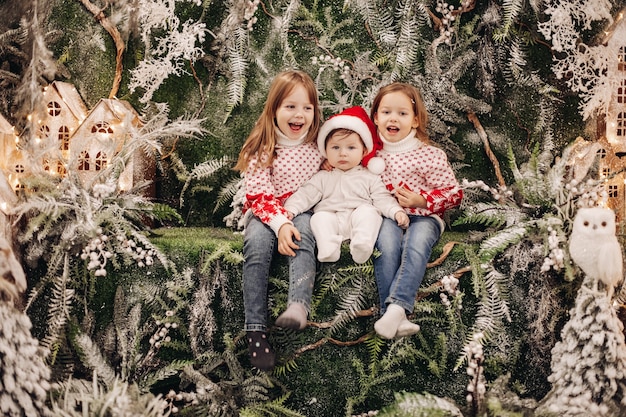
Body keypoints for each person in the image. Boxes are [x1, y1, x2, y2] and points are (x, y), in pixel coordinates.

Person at [234, 70, 323, 371]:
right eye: (290, 106)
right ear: (274, 109)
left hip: (303, 212)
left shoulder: (319, 147)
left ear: (315, 112)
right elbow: (258, 195)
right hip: (266, 212)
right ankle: (255, 330)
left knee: (305, 234)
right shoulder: (261, 147)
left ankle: (298, 305)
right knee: (257, 245)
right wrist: (280, 223)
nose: (299, 114)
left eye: (307, 108)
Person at [370, 82, 463, 340]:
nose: (393, 118)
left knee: (415, 246)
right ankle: (393, 320)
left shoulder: (429, 154)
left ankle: (396, 307)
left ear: (415, 120)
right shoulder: (369, 154)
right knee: (387, 246)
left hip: (426, 217)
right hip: (389, 215)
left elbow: (454, 194)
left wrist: (422, 200)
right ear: (376, 117)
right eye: (386, 112)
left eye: (402, 113)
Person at [284, 106, 409, 264]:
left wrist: (396, 211)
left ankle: (362, 244)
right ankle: (328, 246)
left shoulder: (369, 177)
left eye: (351, 148)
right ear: (326, 151)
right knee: (318, 218)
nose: (343, 153)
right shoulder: (322, 177)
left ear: (363, 151)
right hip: (332, 220)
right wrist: (290, 210)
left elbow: (382, 198)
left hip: (357, 219)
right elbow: (305, 195)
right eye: (335, 147)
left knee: (369, 213)